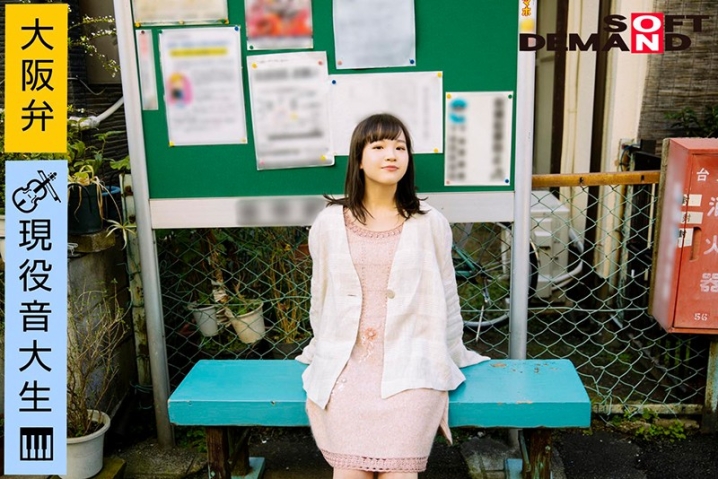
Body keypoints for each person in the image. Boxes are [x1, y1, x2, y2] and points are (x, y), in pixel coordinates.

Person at [296, 113, 489, 479]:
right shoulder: (329, 223)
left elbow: (447, 296)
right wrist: (323, 350)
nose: (391, 155)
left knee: (399, 473)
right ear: (358, 158)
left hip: (412, 361)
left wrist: (448, 353)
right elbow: (320, 297)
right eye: (379, 146)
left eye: (400, 147)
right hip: (348, 365)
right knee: (348, 471)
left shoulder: (429, 222)